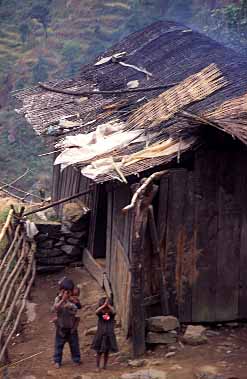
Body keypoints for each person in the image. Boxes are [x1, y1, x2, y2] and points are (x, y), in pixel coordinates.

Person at [52, 278, 82, 368]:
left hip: (72, 326)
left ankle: (76, 359)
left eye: (68, 291)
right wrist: (62, 300)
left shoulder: (73, 299)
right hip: (61, 326)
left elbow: (77, 309)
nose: (66, 293)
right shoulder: (57, 299)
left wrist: (72, 302)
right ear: (61, 290)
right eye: (64, 291)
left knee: (74, 344)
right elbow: (55, 308)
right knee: (58, 345)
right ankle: (57, 360)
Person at [91, 296, 118, 371]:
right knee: (98, 352)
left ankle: (105, 365)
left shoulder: (111, 315)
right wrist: (104, 305)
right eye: (104, 309)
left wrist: (108, 305)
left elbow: (114, 311)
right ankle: (97, 366)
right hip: (100, 336)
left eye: (107, 309)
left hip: (109, 336)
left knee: (106, 352)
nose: (105, 311)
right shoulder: (100, 315)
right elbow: (96, 311)